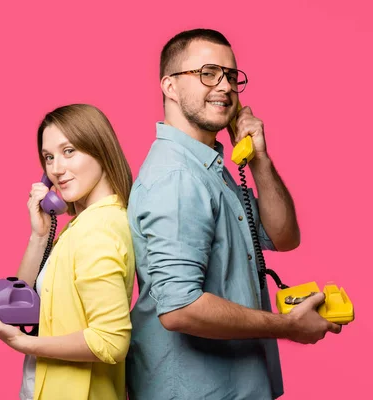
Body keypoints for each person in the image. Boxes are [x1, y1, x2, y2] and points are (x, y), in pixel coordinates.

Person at [125, 29, 342, 399]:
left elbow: (285, 237)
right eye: (208, 73)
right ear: (170, 86)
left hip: (235, 384)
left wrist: (259, 159)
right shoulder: (177, 178)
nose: (224, 86)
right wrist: (287, 326)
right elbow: (180, 309)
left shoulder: (209, 168)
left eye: (231, 76)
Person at [0, 104, 136, 400]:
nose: (56, 169)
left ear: (100, 149)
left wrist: (24, 343)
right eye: (49, 157)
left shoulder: (97, 231)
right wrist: (40, 236)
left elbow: (111, 342)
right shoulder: (81, 226)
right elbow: (21, 301)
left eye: (68, 151)